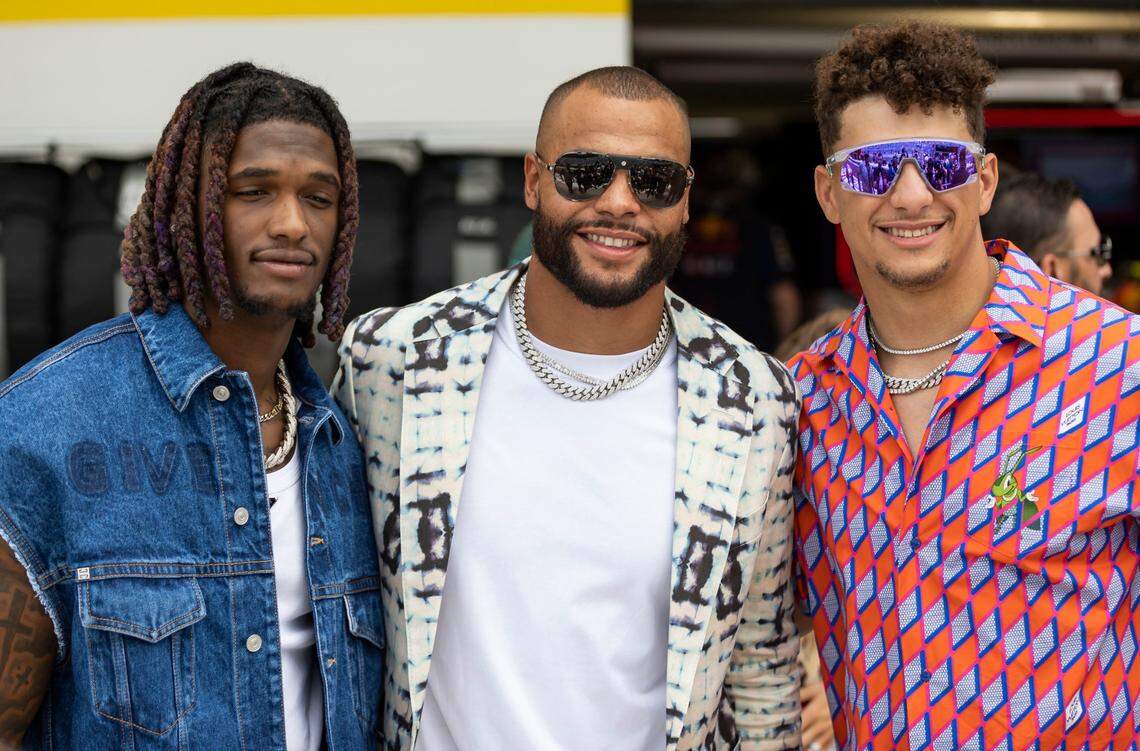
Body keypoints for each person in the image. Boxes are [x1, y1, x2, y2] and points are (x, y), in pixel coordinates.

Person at [335, 66, 801, 750]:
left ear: (685, 200)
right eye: (585, 173)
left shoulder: (754, 399)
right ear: (532, 180)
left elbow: (761, 666)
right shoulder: (395, 360)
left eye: (654, 181)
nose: (619, 203)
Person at [0, 63, 384, 749]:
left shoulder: (344, 441)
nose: (293, 224)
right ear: (189, 204)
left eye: (319, 198)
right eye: (254, 191)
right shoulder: (44, 425)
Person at [789, 21, 1140, 751]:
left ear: (983, 182)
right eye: (872, 169)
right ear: (829, 193)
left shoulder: (1120, 368)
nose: (911, 195)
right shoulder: (801, 401)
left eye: (942, 163)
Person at [981, 171, 1112, 295]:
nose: (1107, 270)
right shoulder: (1117, 319)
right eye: (1097, 253)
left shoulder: (973, 317)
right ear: (1051, 270)